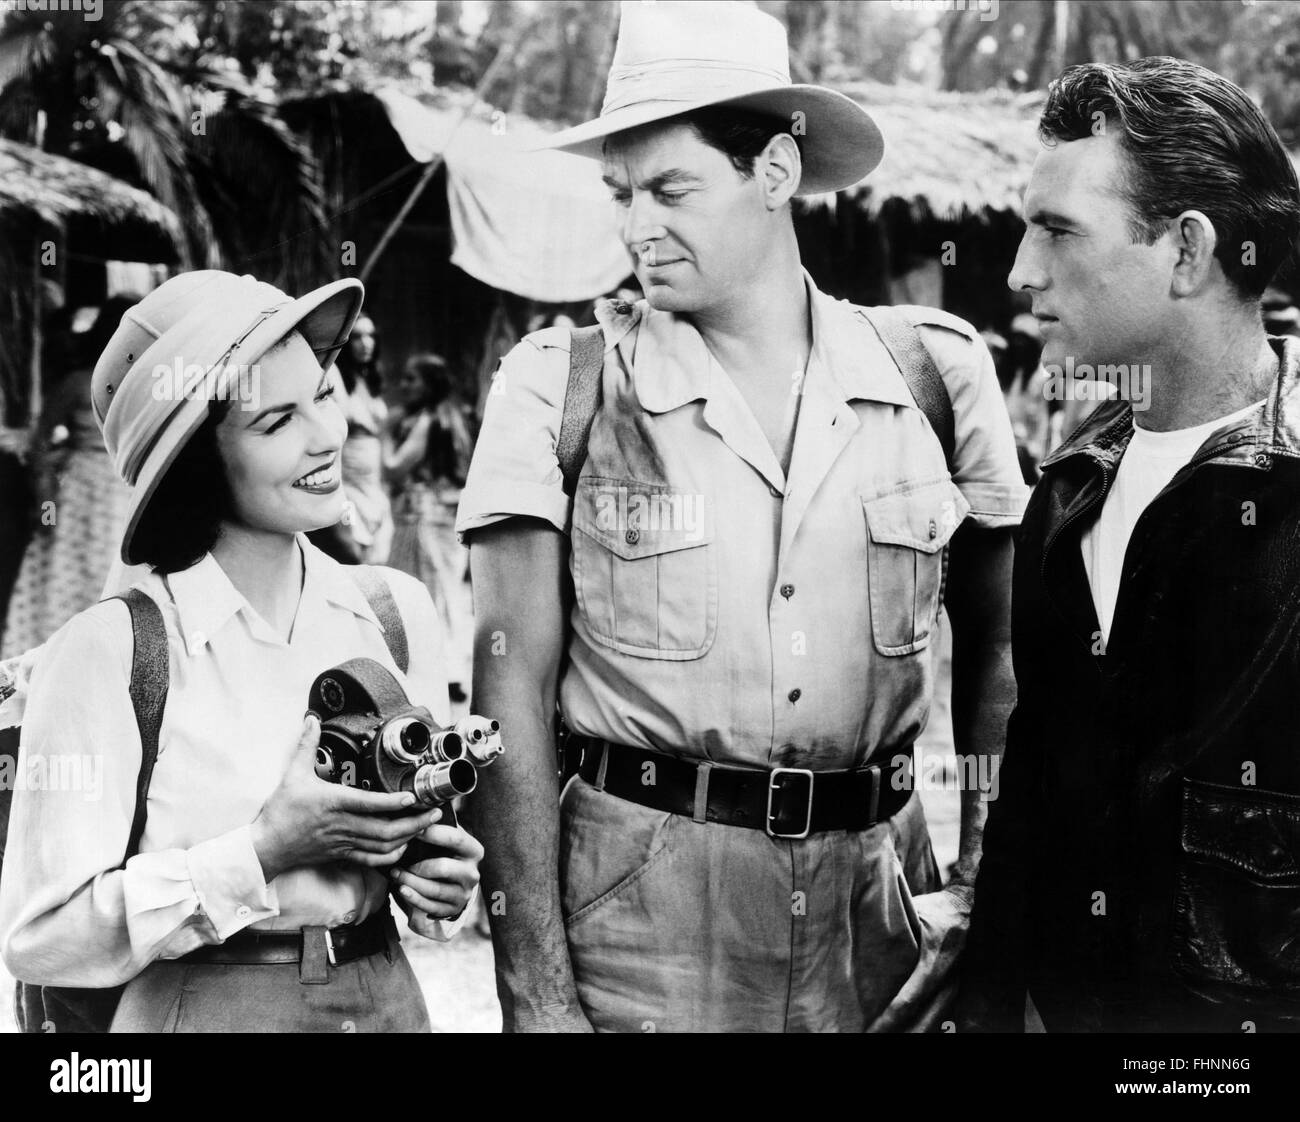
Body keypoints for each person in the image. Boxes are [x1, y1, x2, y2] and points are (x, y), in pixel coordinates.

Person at [458, 0, 1025, 1033]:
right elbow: (506, 698)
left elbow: (999, 653)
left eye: (672, 188)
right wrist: (535, 991)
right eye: (620, 193)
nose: (636, 227)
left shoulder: (932, 378)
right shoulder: (560, 387)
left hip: (876, 924)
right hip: (636, 931)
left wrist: (983, 886)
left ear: (772, 173)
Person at [0, 270, 483, 1033]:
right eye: (275, 421)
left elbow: (429, 862)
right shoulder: (112, 651)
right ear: (197, 462)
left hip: (386, 1001)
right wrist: (263, 852)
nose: (328, 435)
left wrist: (437, 880)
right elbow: (38, 938)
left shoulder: (394, 614)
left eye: (323, 394)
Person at [958, 58, 1300, 1032]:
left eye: (1059, 230)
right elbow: (1025, 817)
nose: (1021, 271)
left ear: (1187, 252)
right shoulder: (1064, 501)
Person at [385, 353, 475, 705]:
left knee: (425, 589)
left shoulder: (425, 421)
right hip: (452, 511)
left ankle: (437, 667)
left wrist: (382, 433)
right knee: (449, 590)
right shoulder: (457, 417)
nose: (405, 386)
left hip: (426, 513)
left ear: (429, 384)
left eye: (412, 379)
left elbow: (394, 466)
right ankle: (452, 666)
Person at [307, 313, 394, 565]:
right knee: (353, 550)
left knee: (379, 549)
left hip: (373, 479)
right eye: (357, 337)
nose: (366, 343)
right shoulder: (334, 376)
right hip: (348, 473)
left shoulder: (370, 378)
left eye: (370, 336)